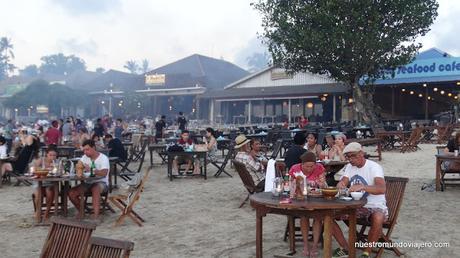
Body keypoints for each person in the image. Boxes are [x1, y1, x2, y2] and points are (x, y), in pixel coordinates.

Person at [332, 142, 387, 258]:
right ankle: (345, 247)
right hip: (356, 206)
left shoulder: (374, 167)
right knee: (327, 216)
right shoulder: (350, 167)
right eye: (348, 157)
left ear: (361, 154)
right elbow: (342, 182)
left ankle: (366, 252)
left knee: (378, 217)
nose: (350, 159)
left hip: (374, 205)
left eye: (353, 156)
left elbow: (382, 188)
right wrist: (340, 184)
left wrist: (363, 187)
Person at [289, 152, 326, 257]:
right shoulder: (295, 169)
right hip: (300, 198)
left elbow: (323, 184)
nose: (309, 168)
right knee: (303, 216)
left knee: (318, 217)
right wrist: (295, 185)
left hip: (316, 198)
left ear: (315, 164)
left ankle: (314, 245)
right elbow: (290, 185)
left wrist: (321, 182)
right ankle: (306, 244)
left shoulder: (319, 168)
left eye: (312, 166)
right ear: (302, 164)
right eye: (307, 166)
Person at [68, 140, 110, 220]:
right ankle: (81, 211)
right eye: (84, 150)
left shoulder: (103, 158)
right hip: (88, 182)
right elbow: (79, 167)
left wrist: (92, 170)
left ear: (93, 147)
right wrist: (79, 169)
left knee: (95, 188)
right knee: (71, 193)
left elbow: (104, 173)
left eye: (87, 149)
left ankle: (96, 215)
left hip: (102, 183)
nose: (85, 152)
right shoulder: (84, 158)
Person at [32, 148, 59, 220]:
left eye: (54, 155)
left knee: (49, 192)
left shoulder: (57, 162)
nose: (52, 157)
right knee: (38, 194)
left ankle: (47, 213)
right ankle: (38, 211)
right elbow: (34, 168)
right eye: (50, 155)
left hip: (50, 182)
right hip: (39, 181)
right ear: (47, 154)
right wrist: (44, 170)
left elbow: (60, 172)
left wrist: (57, 168)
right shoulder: (42, 160)